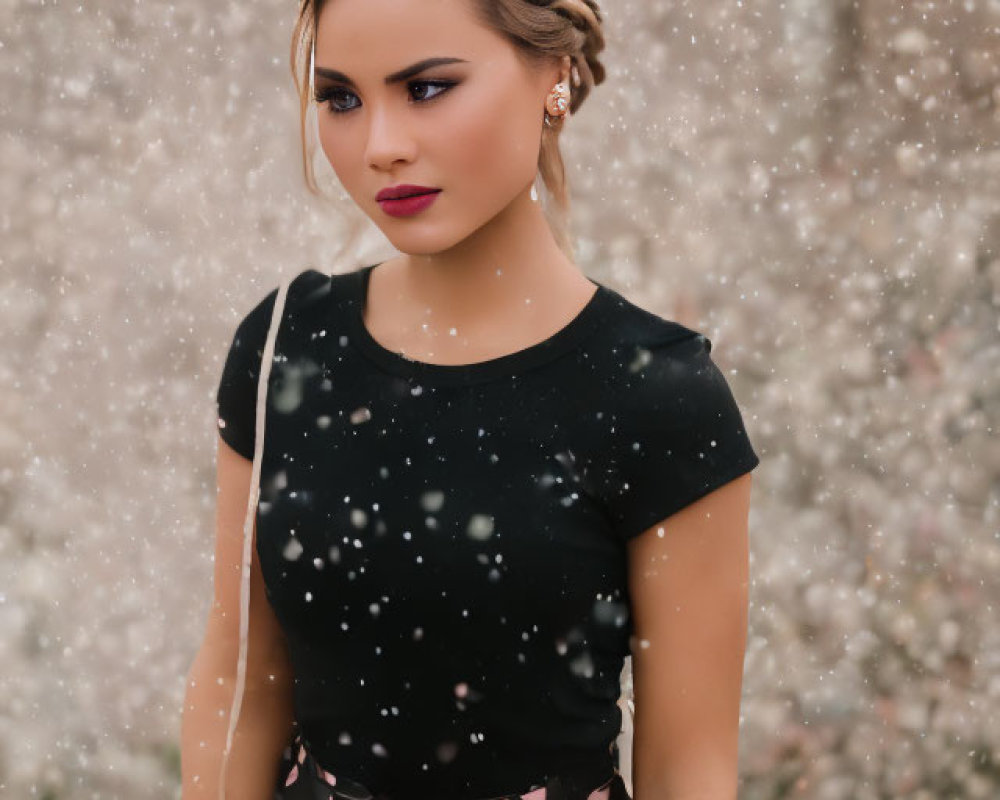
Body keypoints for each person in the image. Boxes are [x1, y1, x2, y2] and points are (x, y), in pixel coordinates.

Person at [181, 0, 760, 798]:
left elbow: (686, 770)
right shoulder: (285, 344)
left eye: (426, 88)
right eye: (341, 98)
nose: (381, 145)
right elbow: (241, 682)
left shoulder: (657, 395)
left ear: (553, 75)